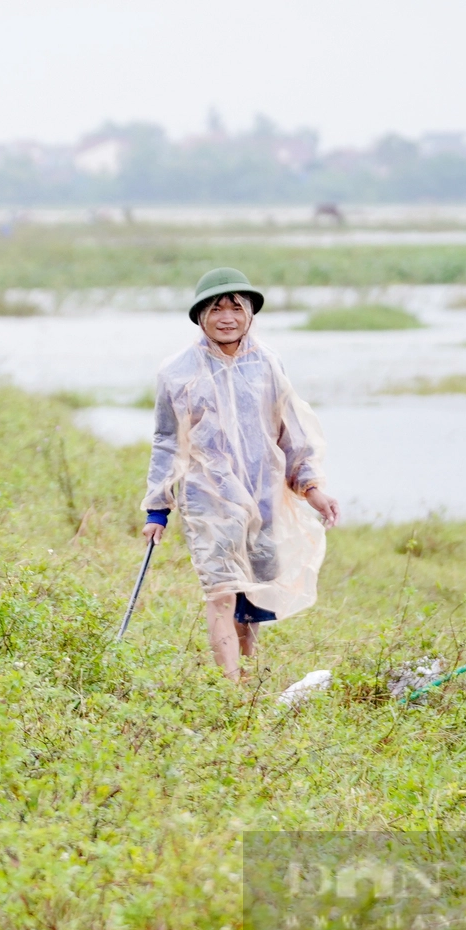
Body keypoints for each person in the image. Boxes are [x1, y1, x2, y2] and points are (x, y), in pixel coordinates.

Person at [141, 268, 341, 680]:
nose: (227, 316)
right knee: (220, 593)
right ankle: (229, 689)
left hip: (264, 498)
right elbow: (166, 442)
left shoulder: (267, 362)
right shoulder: (177, 372)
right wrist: (157, 509)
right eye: (217, 308)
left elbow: (290, 429)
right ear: (200, 315)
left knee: (249, 601)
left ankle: (247, 680)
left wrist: (311, 486)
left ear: (250, 315)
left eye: (237, 307)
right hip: (209, 500)